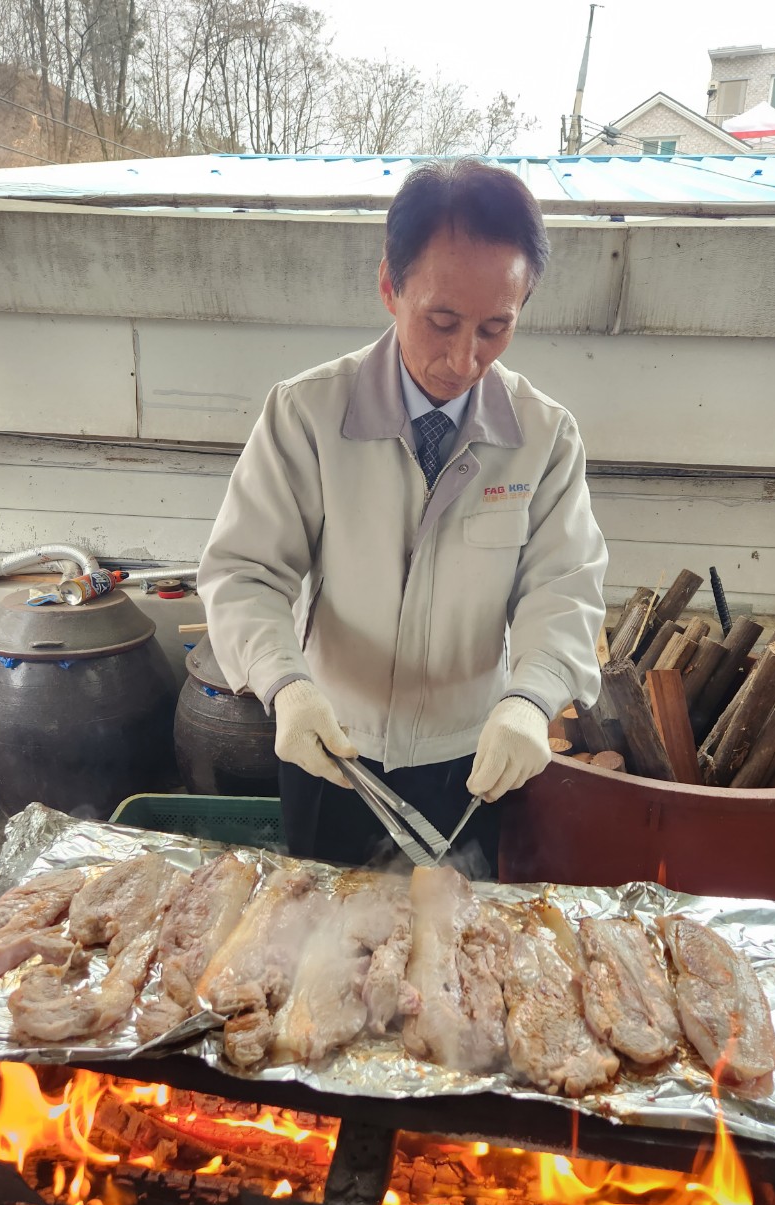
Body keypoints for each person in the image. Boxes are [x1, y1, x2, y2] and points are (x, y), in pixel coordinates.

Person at [198, 157, 608, 873]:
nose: (464, 359)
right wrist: (285, 685)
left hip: (471, 758)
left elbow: (563, 587)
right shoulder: (309, 413)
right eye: (442, 321)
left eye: (495, 328)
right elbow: (244, 572)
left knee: (452, 932)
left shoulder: (544, 436)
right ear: (389, 285)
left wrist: (532, 698)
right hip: (333, 746)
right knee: (320, 928)